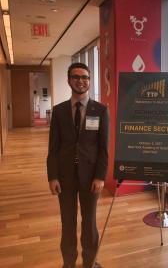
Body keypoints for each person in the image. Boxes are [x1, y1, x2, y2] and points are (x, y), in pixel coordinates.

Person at [47, 62, 109, 268]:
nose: (81, 81)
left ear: (90, 81)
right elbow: (53, 148)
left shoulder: (100, 110)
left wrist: (100, 177)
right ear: (69, 80)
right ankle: (69, 263)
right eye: (76, 77)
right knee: (68, 222)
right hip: (64, 177)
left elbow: (103, 147)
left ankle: (90, 263)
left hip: (91, 177)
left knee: (89, 222)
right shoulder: (58, 111)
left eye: (85, 77)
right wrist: (52, 176)